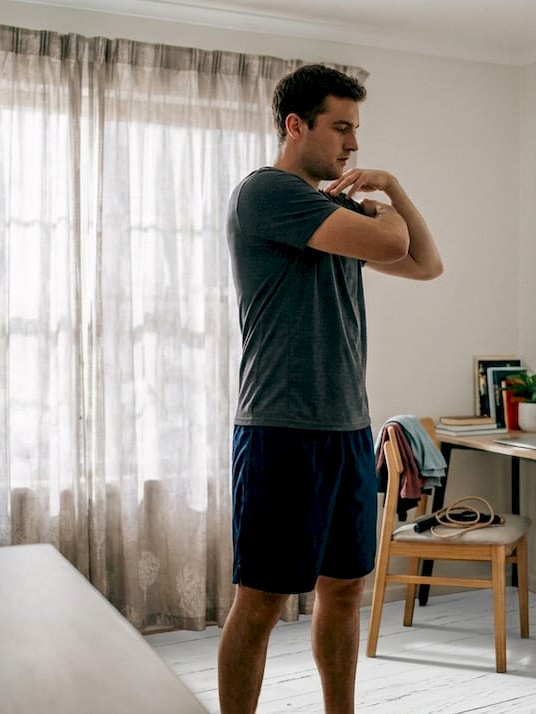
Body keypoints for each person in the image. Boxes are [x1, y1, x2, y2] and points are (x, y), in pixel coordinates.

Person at [219, 64, 443, 714]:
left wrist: (393, 188)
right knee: (260, 602)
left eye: (356, 130)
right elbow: (393, 238)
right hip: (279, 431)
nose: (352, 145)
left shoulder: (333, 210)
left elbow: (426, 264)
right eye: (340, 127)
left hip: (346, 429)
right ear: (296, 125)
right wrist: (383, 208)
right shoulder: (267, 192)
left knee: (344, 590)